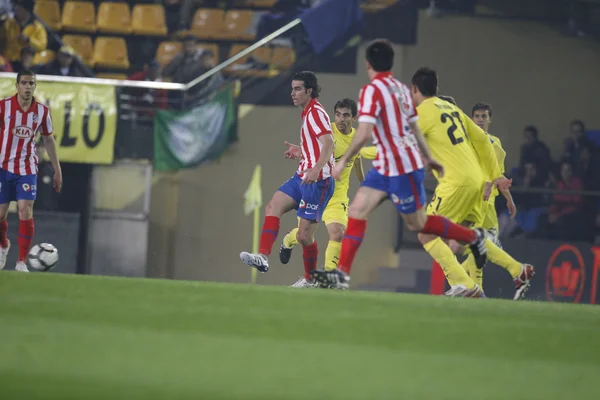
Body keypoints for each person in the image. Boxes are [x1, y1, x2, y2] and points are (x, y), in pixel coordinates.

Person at [311, 40, 492, 296]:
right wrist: (428, 157)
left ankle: (474, 238)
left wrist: (342, 161)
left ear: (368, 64)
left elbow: (363, 133)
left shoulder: (371, 90)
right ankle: (341, 275)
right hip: (386, 164)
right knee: (357, 210)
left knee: (417, 224)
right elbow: (415, 127)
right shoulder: (402, 90)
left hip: (403, 167)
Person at [240, 71, 335, 282]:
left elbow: (329, 144)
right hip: (302, 176)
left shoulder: (316, 113)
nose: (292, 93)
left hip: (318, 182)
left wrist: (316, 168)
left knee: (303, 236)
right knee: (273, 205)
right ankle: (263, 257)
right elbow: (317, 146)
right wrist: (300, 151)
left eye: (297, 89)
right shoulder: (307, 113)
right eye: (292, 89)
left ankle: (311, 279)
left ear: (309, 91)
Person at [279, 98, 377, 287]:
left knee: (337, 233)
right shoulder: (327, 131)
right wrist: (298, 151)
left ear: (354, 118)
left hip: (337, 196)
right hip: (317, 189)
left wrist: (365, 185)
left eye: (346, 115)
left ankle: (329, 276)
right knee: (303, 236)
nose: (341, 119)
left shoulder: (357, 138)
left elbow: (356, 161)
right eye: (338, 114)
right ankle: (287, 241)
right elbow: (310, 150)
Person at [460, 102, 535, 300]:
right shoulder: (466, 142)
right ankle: (473, 288)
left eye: (484, 116)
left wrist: (509, 200)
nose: (481, 120)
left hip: (488, 204)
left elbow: (498, 175)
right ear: (472, 118)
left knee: (479, 245)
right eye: (477, 116)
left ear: (489, 120)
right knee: (477, 245)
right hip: (472, 201)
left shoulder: (495, 144)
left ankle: (462, 282)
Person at [0, 69, 62, 272]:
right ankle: (3, 245)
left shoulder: (42, 111)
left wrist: (57, 169)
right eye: (24, 83)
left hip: (27, 168)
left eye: (31, 83)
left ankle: (21, 262)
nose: (27, 87)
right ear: (17, 86)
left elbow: (48, 139)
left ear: (35, 86)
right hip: (2, 167)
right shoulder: (4, 106)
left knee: (25, 209)